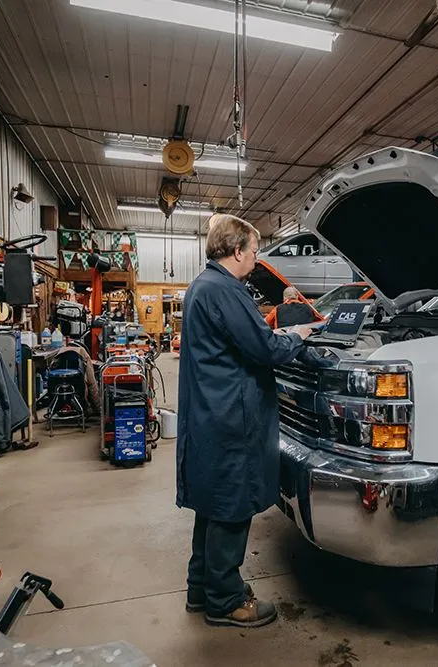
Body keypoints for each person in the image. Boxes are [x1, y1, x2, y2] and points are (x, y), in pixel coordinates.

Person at [176, 214, 314, 628]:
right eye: (254, 251)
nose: (256, 260)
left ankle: (201, 589)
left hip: (210, 414)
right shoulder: (225, 290)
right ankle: (225, 600)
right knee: (231, 508)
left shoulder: (203, 286)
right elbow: (264, 348)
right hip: (230, 418)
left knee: (212, 506)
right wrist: (300, 336)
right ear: (237, 250)